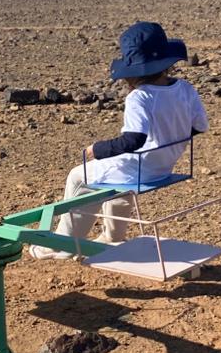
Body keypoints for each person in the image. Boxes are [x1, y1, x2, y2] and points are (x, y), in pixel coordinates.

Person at [31, 21, 208, 258]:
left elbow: (133, 140)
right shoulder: (185, 88)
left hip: (141, 169)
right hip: (164, 166)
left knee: (79, 176)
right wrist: (170, 136)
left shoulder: (140, 96)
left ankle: (63, 245)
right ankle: (112, 236)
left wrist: (98, 148)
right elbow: (199, 126)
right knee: (117, 175)